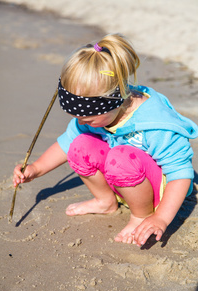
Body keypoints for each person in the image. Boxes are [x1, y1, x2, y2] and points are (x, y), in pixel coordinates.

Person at [13, 33, 198, 247]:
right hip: (125, 179)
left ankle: (141, 215)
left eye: (88, 118)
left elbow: (180, 173)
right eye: (78, 117)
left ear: (113, 102)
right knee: (79, 145)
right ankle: (105, 201)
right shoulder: (94, 116)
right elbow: (67, 143)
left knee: (120, 157)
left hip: (160, 193)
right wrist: (35, 169)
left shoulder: (155, 125)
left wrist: (161, 218)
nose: (81, 121)